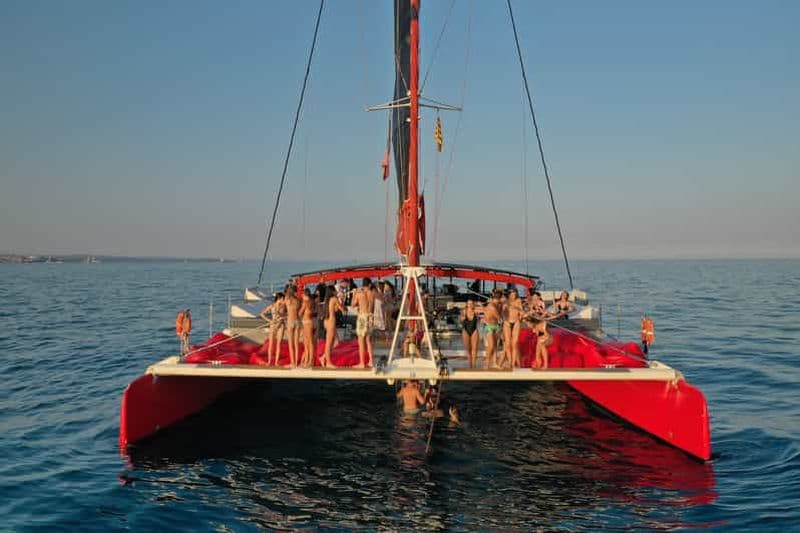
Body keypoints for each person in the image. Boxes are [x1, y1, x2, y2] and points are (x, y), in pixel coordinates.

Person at [351, 278, 375, 368]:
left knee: (361, 340)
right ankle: (371, 361)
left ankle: (362, 363)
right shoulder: (371, 293)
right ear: (369, 285)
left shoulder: (359, 293)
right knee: (368, 340)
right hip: (370, 317)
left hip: (362, 317)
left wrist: (354, 294)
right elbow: (371, 306)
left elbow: (353, 304)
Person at [260, 293, 285, 366]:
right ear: (279, 299)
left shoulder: (284, 306)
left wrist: (282, 316)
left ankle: (276, 362)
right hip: (273, 325)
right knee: (271, 344)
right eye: (283, 299)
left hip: (281, 325)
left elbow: (287, 314)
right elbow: (262, 314)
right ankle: (269, 361)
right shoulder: (272, 306)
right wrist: (269, 320)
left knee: (279, 344)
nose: (284, 300)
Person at [320, 285, 343, 368]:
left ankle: (323, 357)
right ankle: (328, 362)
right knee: (329, 343)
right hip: (331, 322)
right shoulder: (334, 299)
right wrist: (341, 298)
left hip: (326, 321)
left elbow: (335, 309)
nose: (336, 292)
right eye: (335, 290)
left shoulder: (327, 300)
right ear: (332, 291)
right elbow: (342, 309)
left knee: (337, 342)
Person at [502, 289, 524, 368]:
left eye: (514, 295)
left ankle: (513, 363)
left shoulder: (518, 301)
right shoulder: (505, 301)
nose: (513, 296)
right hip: (507, 323)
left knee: (514, 344)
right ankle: (510, 361)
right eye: (512, 295)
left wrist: (518, 309)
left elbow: (522, 312)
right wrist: (506, 307)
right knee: (507, 344)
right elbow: (503, 312)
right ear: (509, 295)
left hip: (516, 322)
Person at [482, 292, 502, 369]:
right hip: (489, 326)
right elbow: (498, 317)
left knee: (495, 346)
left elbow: (499, 317)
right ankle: (486, 363)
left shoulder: (498, 305)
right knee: (490, 346)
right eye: (496, 300)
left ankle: (494, 363)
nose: (497, 301)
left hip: (496, 326)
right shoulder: (491, 306)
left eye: (498, 300)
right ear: (494, 299)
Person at [298, 289, 317, 368]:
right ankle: (307, 360)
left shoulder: (305, 303)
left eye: (302, 295)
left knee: (309, 343)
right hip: (309, 322)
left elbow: (300, 313)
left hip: (307, 323)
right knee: (307, 343)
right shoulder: (312, 302)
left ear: (304, 295)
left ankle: (310, 361)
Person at [284, 285, 301, 369]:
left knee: (290, 343)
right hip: (297, 321)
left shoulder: (287, 299)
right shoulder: (297, 300)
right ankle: (296, 363)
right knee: (296, 343)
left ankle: (293, 363)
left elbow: (283, 308)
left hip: (290, 321)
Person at [461, 299, 480, 368]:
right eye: (469, 303)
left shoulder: (476, 311)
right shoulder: (464, 311)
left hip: (474, 331)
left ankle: (474, 365)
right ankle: (470, 365)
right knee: (468, 349)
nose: (470, 305)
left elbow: (485, 311)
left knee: (474, 349)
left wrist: (479, 318)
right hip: (465, 331)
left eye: (472, 303)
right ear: (467, 304)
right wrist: (462, 318)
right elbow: (461, 320)